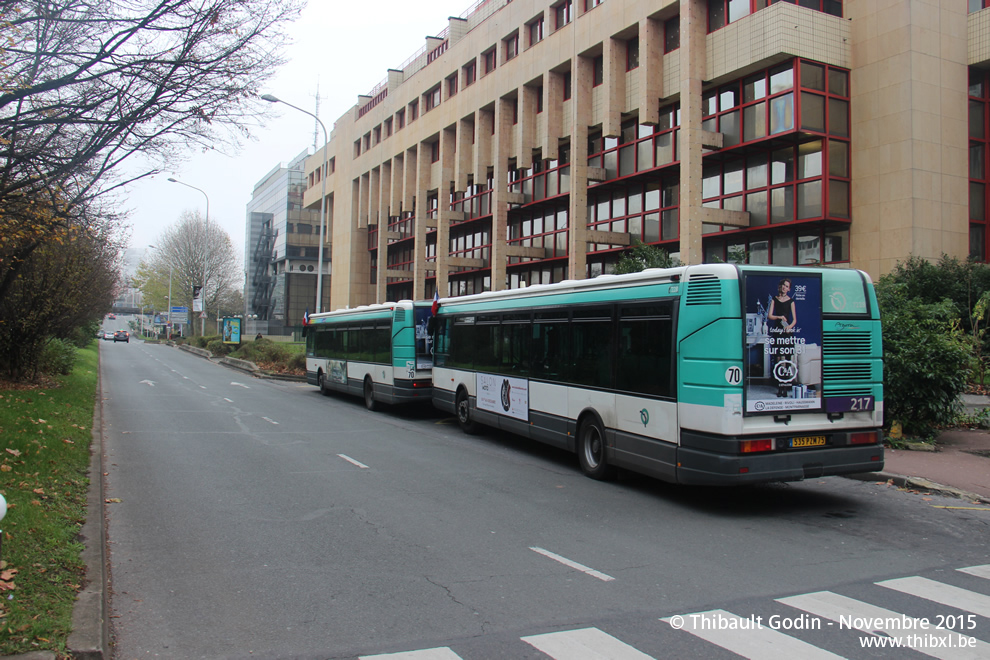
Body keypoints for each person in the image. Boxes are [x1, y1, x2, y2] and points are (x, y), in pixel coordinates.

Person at [767, 277, 797, 397]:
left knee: (787, 359)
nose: (784, 287)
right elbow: (770, 315)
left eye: (786, 286)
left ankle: (786, 386)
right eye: (782, 285)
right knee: (779, 359)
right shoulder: (774, 299)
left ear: (789, 289)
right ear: (780, 287)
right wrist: (779, 317)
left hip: (787, 332)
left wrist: (789, 326)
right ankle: (780, 387)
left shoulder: (791, 302)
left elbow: (795, 320)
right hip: (777, 331)